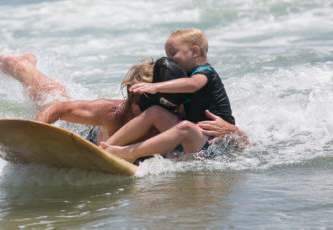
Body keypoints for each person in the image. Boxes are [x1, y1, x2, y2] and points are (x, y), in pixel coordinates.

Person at [0, 51, 245, 148]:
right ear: (131, 98)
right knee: (51, 95)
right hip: (87, 138)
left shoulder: (176, 116)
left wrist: (234, 130)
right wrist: (35, 135)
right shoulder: (111, 112)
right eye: (146, 106)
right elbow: (56, 108)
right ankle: (23, 67)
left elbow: (239, 148)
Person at [100, 28, 247, 161]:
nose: (170, 60)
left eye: (173, 53)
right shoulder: (185, 76)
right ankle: (104, 147)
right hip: (193, 141)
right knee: (155, 112)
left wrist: (155, 87)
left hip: (213, 144)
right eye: (167, 55)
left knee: (185, 127)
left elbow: (193, 84)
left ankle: (128, 152)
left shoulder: (205, 72)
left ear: (195, 51)